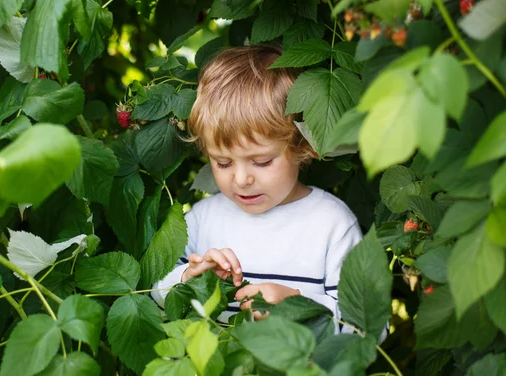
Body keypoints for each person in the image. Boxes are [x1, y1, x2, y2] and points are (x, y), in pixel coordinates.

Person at [151, 44, 362, 331]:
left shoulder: (332, 225)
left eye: (261, 162)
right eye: (223, 163)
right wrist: (189, 278)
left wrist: (298, 305)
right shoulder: (201, 221)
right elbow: (155, 293)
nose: (241, 179)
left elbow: (368, 328)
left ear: (302, 146)